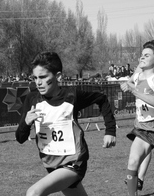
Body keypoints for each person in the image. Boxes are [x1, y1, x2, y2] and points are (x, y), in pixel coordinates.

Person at [15, 51, 116, 196]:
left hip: (74, 163)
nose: (38, 82)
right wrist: (26, 123)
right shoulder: (32, 99)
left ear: (58, 77)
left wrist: (110, 131)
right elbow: (20, 138)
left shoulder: (72, 96)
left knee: (34, 193)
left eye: (43, 77)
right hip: (51, 164)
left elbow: (101, 98)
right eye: (35, 78)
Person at [120, 40, 154, 196]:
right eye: (141, 55)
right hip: (143, 128)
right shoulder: (138, 75)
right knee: (133, 161)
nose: (142, 57)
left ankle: (140, 177)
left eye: (147, 55)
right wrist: (126, 85)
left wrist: (135, 91)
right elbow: (128, 83)